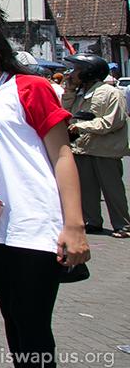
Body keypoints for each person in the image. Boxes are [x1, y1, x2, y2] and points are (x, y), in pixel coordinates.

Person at [0, 19, 90, 368]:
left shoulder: (30, 88)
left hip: (35, 225)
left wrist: (74, 225)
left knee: (33, 324)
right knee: (13, 322)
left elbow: (62, 156)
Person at [61, 53, 130, 238]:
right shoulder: (79, 93)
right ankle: (92, 221)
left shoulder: (110, 93)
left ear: (89, 72)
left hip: (105, 151)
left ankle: (123, 225)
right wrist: (69, 91)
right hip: (82, 149)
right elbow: (66, 112)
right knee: (87, 190)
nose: (71, 74)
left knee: (113, 190)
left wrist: (82, 126)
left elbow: (112, 122)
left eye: (76, 70)